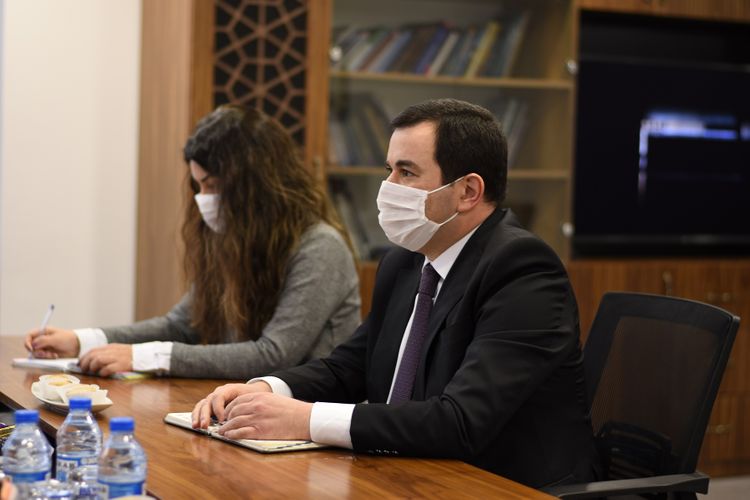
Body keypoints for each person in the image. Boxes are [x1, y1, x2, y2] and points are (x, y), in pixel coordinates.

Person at [191, 99, 598, 488]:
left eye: (406, 173)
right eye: (389, 170)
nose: (387, 187)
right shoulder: (405, 262)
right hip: (411, 473)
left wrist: (305, 419)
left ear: (468, 192)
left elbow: (459, 421)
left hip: (504, 486)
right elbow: (349, 368)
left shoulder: (522, 269)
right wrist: (267, 389)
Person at [24, 105, 361, 379]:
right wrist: (82, 341)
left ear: (253, 187)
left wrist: (144, 357)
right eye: (199, 186)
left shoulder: (321, 247)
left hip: (306, 420)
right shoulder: (233, 238)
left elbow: (274, 354)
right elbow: (181, 326)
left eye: (212, 186)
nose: (204, 199)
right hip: (247, 408)